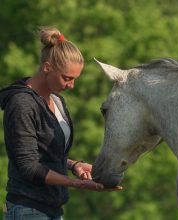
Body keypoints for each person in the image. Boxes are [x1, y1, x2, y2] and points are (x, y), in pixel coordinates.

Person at [0, 27, 122, 220]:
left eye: (75, 79)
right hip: (28, 210)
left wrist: (75, 165)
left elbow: (45, 155)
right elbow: (29, 166)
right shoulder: (22, 104)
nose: (71, 85)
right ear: (47, 67)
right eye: (67, 78)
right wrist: (78, 184)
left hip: (53, 210)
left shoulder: (57, 100)